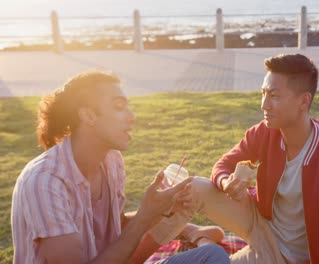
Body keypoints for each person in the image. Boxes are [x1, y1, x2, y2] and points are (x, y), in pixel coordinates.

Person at [10, 70, 229, 264]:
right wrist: (144, 218)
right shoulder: (44, 182)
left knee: (212, 256)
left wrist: (160, 210)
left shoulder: (111, 160)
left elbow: (116, 223)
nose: (132, 117)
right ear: (88, 115)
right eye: (118, 106)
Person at [185, 53, 319, 263]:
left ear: (304, 101)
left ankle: (203, 238)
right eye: (263, 93)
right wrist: (226, 182)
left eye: (274, 96)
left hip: (287, 256)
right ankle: (136, 249)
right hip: (260, 223)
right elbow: (224, 164)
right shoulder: (265, 132)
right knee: (191, 187)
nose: (264, 105)